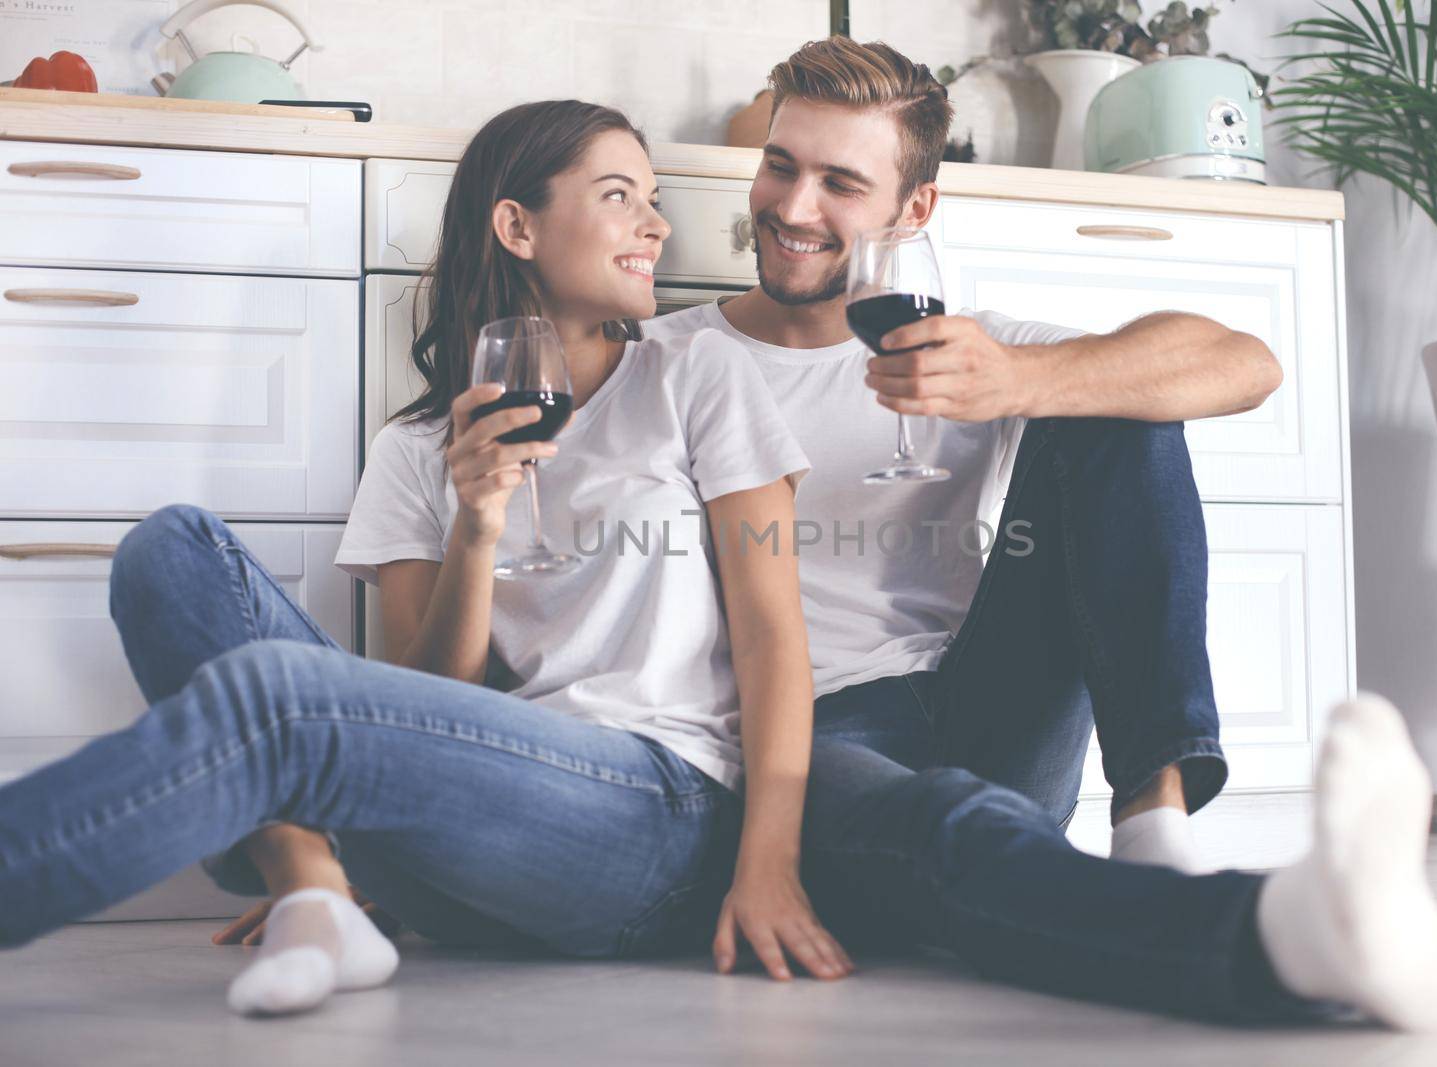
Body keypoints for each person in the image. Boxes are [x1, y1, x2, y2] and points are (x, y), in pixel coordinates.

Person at [642, 37, 1437, 1030]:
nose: (792, 206)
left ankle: (1152, 822)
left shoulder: (963, 346)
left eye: (840, 183)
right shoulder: (667, 359)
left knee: (1117, 395)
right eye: (781, 164)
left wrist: (1024, 382)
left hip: (990, 701)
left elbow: (1244, 362)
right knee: (948, 836)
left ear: (914, 212)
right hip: (809, 731)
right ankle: (1282, 930)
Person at [0, 99, 852, 1016]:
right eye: (619, 196)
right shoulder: (415, 448)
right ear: (516, 225)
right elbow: (433, 691)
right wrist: (475, 522)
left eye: (652, 198)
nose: (657, 223)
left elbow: (772, 637)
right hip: (469, 830)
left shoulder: (696, 376)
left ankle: (299, 881)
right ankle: (313, 883)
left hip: (650, 819)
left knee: (282, 699)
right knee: (169, 549)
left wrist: (771, 866)